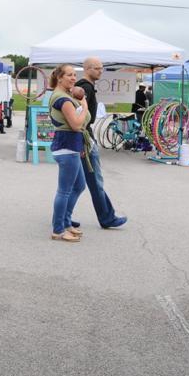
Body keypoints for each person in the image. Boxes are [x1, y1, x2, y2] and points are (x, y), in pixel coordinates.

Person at [76, 57, 128, 229]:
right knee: (94, 181)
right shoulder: (86, 87)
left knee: (74, 183)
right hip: (84, 139)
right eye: (97, 68)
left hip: (83, 138)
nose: (101, 71)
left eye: (102, 68)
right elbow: (77, 116)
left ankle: (63, 216)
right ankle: (107, 217)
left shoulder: (85, 87)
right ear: (88, 69)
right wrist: (82, 142)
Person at [47, 65, 88, 241]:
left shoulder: (65, 96)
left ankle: (66, 221)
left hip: (71, 146)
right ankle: (58, 229)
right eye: (69, 75)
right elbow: (76, 125)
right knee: (64, 191)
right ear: (60, 78)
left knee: (79, 185)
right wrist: (84, 105)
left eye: (74, 75)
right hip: (66, 146)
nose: (73, 78)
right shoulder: (62, 99)